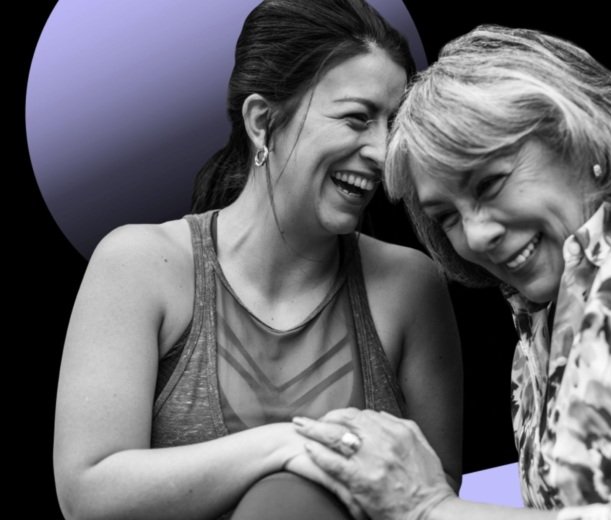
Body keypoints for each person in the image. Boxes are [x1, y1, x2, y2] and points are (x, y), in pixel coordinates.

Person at [293, 24, 611, 520]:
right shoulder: (534, 335)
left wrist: (428, 507)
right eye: (447, 217)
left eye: (489, 182)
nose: (475, 238)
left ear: (583, 139)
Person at [53, 1, 463, 519]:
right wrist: (285, 446)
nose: (383, 153)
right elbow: (87, 494)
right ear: (262, 121)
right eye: (358, 118)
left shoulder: (411, 286)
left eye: (391, 124)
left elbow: (433, 497)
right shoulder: (141, 265)